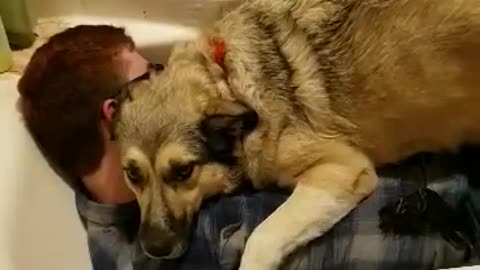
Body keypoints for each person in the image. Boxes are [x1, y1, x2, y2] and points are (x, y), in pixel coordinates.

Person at [17, 25, 480, 270]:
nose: (163, 78)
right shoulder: (214, 241)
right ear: (114, 113)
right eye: (150, 75)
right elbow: (353, 178)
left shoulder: (106, 211)